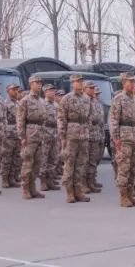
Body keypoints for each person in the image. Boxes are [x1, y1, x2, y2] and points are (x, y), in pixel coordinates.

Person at [109, 72, 135, 208]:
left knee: (133, 167)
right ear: (124, 83)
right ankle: (123, 196)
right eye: (129, 82)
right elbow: (113, 120)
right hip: (124, 138)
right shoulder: (118, 99)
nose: (132, 84)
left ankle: (130, 195)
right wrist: (116, 138)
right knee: (124, 168)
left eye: (133, 81)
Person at [58, 74, 92, 203]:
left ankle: (78, 191)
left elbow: (89, 117)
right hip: (71, 136)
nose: (80, 83)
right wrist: (63, 136)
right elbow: (61, 118)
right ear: (72, 83)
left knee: (80, 164)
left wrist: (87, 131)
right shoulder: (66, 99)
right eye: (77, 81)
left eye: (81, 81)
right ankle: (69, 192)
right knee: (69, 164)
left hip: (83, 135)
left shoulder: (86, 98)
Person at [16, 75, 49, 200]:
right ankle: (25, 188)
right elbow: (20, 120)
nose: (39, 85)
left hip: (40, 135)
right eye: (37, 83)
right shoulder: (25, 100)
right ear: (31, 84)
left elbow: (44, 119)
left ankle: (33, 188)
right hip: (30, 134)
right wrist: (22, 137)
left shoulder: (42, 101)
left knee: (37, 163)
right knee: (28, 162)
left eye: (40, 83)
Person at [84, 83, 104, 194]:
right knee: (85, 161)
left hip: (96, 134)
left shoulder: (96, 103)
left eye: (97, 93)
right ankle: (83, 183)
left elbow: (100, 119)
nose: (96, 94)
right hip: (86, 135)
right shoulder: (84, 100)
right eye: (91, 89)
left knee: (93, 160)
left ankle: (91, 181)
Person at [41, 84, 61, 191]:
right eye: (50, 90)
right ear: (45, 92)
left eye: (53, 90)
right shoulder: (42, 104)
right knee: (44, 158)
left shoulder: (56, 105)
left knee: (53, 158)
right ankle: (43, 181)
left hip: (55, 134)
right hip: (45, 134)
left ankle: (50, 180)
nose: (53, 92)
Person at [2, 83, 22, 188]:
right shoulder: (5, 103)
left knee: (16, 157)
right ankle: (5, 179)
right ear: (8, 91)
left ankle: (12, 178)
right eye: (13, 89)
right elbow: (3, 119)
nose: (16, 91)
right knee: (7, 157)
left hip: (17, 133)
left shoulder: (18, 103)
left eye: (16, 89)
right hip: (9, 133)